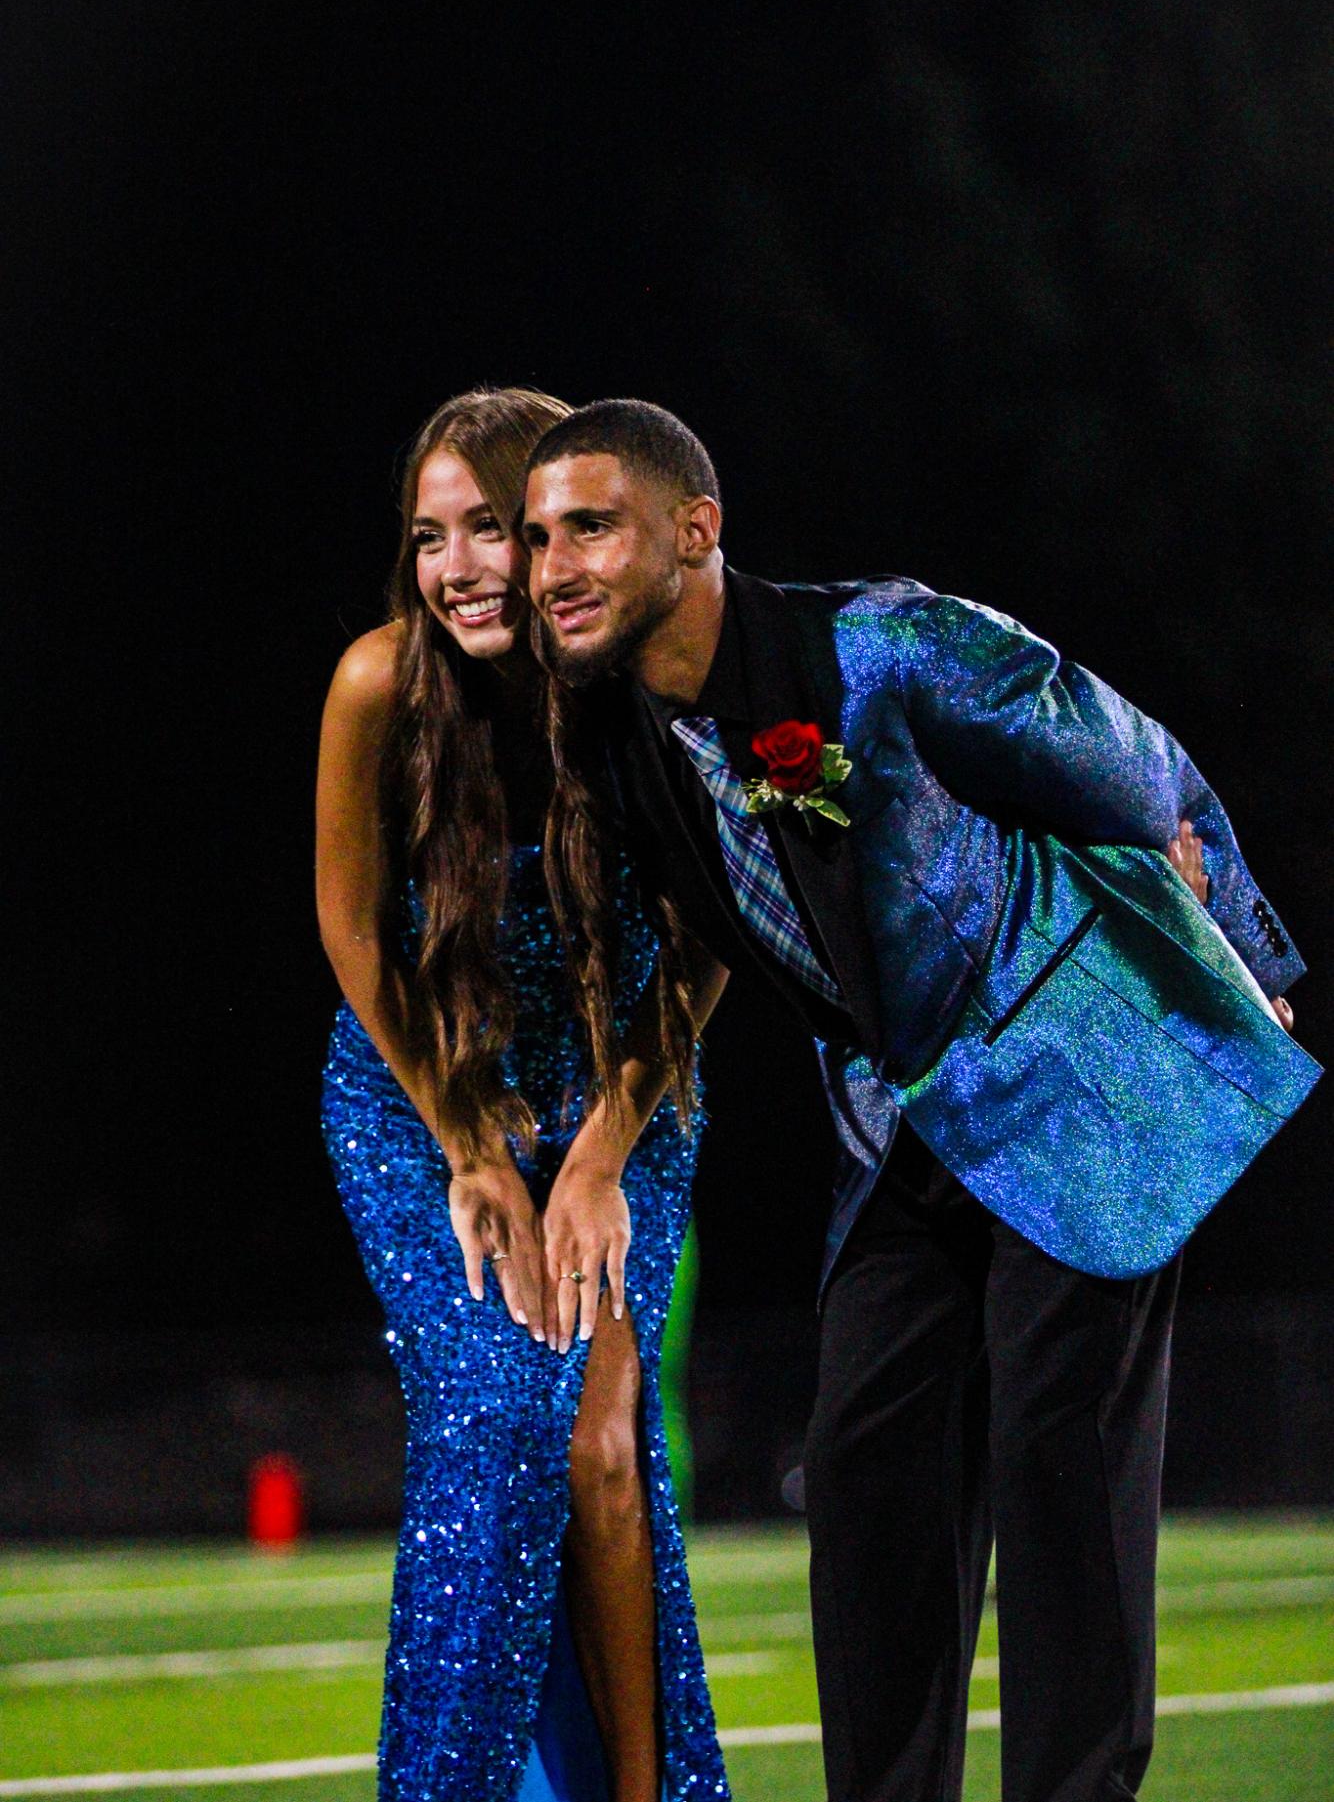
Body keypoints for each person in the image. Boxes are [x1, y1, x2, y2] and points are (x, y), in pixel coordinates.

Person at [521, 398, 1318, 1802]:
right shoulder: (628, 741)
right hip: (902, 1125)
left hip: (1075, 1086)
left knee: (1057, 1463)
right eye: (537, 537)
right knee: (865, 1461)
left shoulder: (874, 642)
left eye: (588, 524)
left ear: (693, 533)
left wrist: (1249, 957)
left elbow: (1130, 766)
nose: (549, 563)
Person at [315, 388, 731, 1802]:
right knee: (497, 1417)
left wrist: (601, 1148)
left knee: (607, 1443)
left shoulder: (629, 689)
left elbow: (704, 942)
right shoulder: (378, 680)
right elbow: (355, 930)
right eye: (429, 537)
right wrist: (462, 1136)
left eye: (488, 526)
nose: (460, 568)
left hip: (621, 1093)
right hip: (418, 1100)